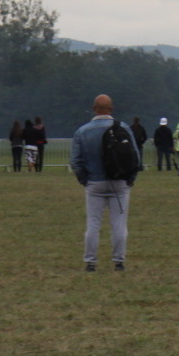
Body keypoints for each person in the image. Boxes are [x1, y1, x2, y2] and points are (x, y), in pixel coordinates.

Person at [70, 94, 139, 272]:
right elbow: (136, 158)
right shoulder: (123, 128)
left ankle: (91, 261)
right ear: (111, 109)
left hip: (94, 182)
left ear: (94, 109)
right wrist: (130, 179)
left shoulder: (82, 131)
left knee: (93, 224)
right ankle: (118, 261)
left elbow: (75, 162)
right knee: (119, 224)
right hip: (120, 182)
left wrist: (85, 180)